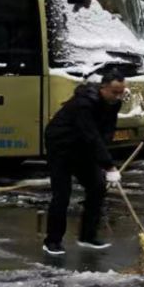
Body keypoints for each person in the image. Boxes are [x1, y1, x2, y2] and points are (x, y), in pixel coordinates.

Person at [42, 71, 126, 256]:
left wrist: (104, 161)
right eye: (115, 92)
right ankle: (52, 241)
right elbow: (90, 134)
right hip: (61, 146)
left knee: (97, 187)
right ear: (103, 88)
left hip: (83, 147)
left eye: (121, 92)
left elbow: (106, 133)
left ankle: (87, 236)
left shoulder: (114, 104)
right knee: (62, 194)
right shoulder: (84, 103)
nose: (118, 96)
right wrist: (109, 165)